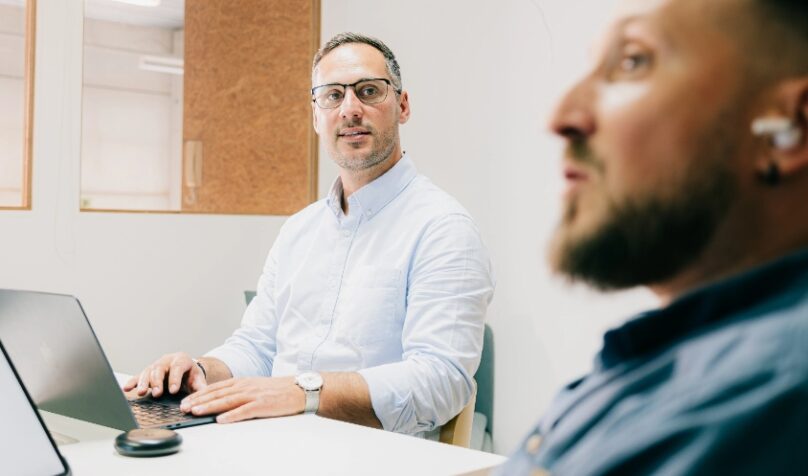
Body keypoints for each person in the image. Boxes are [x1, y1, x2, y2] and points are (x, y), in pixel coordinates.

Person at [124, 33, 494, 437]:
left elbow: (441, 380)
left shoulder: (443, 228)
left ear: (402, 106)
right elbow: (258, 347)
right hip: (268, 441)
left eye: (369, 91)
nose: (350, 109)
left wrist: (304, 392)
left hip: (371, 455)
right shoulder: (299, 230)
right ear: (316, 116)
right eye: (332, 96)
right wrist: (200, 371)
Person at [498, 0, 808, 473]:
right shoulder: (672, 362)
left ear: (790, 130)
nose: (560, 117)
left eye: (632, 61)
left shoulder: (757, 403)